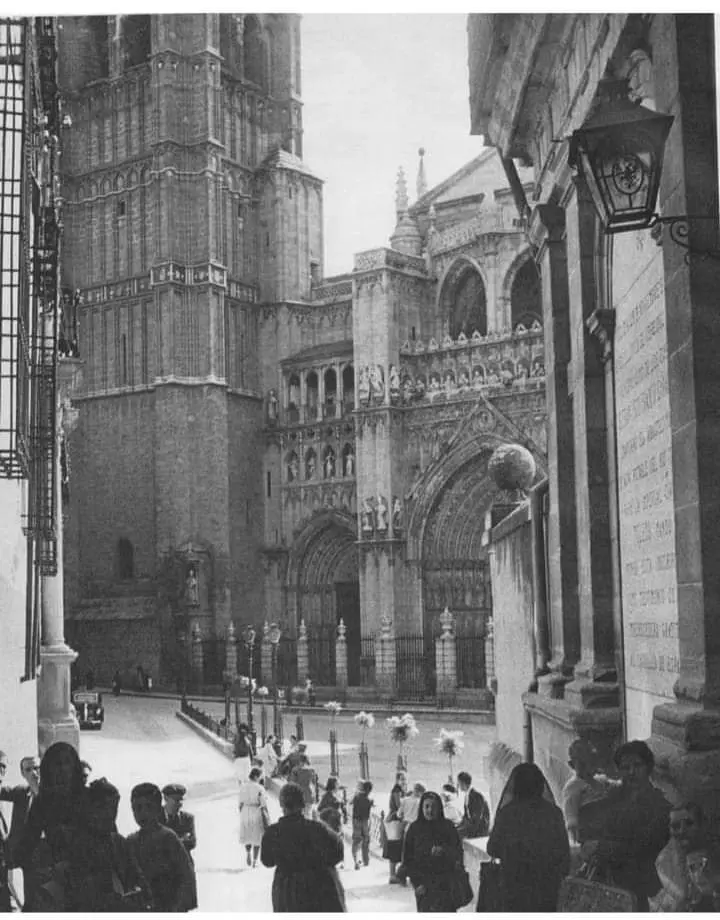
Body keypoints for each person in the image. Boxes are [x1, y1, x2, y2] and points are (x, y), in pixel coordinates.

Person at [579, 739, 671, 911]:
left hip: (642, 888)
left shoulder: (660, 806)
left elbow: (643, 846)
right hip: (608, 885)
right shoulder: (613, 799)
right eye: (625, 767)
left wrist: (601, 846)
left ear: (648, 768)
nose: (631, 772)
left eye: (637, 766)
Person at [478, 762, 570, 913]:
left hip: (513, 886)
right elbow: (563, 853)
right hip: (546, 887)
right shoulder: (553, 813)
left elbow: (492, 848)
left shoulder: (507, 813)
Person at [14, 741, 89, 911]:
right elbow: (27, 843)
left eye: (66, 763)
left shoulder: (88, 797)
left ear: (74, 767)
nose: (62, 769)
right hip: (54, 876)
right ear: (50, 769)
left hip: (87, 872)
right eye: (57, 764)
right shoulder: (43, 802)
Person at [62, 778, 151, 912]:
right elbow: (86, 895)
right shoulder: (78, 845)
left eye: (114, 808)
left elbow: (138, 878)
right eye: (104, 808)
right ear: (91, 809)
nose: (111, 814)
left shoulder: (119, 842)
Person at [261, 782, 346, 912]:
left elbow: (267, 861)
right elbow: (338, 852)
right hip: (318, 887)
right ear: (302, 804)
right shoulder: (318, 829)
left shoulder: (273, 833)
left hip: (287, 890)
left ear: (282, 805)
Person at [127, 783, 197, 912]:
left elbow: (186, 876)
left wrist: (178, 907)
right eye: (137, 808)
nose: (142, 814)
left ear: (158, 808)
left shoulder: (168, 837)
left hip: (169, 903)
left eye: (148, 807)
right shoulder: (132, 841)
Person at [402, 790, 464, 913]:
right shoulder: (414, 829)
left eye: (433, 807)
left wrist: (444, 851)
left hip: (446, 886)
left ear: (439, 808)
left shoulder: (448, 827)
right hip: (424, 886)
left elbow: (458, 852)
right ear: (422, 808)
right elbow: (407, 859)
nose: (430, 810)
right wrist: (417, 883)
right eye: (427, 806)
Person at [651, 801, 720, 911]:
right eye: (676, 826)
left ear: (703, 824)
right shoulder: (665, 862)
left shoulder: (713, 850)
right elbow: (683, 894)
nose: (682, 830)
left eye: (689, 823)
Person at [0, 755, 40, 910]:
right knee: (25, 901)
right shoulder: (20, 793)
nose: (34, 773)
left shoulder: (55, 796)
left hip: (46, 861)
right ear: (23, 774)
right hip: (21, 859)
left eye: (37, 768)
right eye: (28, 769)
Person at [561, 739, 608, 845]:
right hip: (589, 839)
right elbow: (571, 820)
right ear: (572, 764)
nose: (588, 767)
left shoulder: (602, 781)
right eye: (582, 764)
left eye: (591, 762)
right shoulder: (572, 787)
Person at [237, 768, 269, 869]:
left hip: (246, 810)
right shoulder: (260, 788)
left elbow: (240, 802)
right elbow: (263, 803)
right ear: (256, 776)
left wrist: (242, 812)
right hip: (256, 810)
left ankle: (248, 853)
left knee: (247, 834)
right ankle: (255, 861)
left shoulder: (243, 787)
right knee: (257, 836)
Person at [383, 771, 407, 884]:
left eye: (405, 779)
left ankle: (395, 874)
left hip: (396, 820)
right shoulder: (397, 791)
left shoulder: (400, 790)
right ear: (397, 780)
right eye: (402, 779)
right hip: (395, 820)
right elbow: (398, 806)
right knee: (394, 847)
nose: (404, 781)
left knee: (396, 847)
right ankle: (392, 875)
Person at [161, 784, 196, 857]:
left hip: (184, 864)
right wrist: (181, 839)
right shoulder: (155, 818)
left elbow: (192, 843)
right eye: (176, 800)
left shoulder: (187, 818)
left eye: (181, 800)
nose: (180, 804)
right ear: (166, 798)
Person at [456, 772, 490, 839]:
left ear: (463, 783)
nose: (458, 785)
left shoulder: (477, 795)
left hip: (480, 830)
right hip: (472, 826)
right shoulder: (467, 795)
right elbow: (466, 817)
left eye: (458, 783)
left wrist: (469, 833)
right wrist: (457, 827)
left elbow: (477, 818)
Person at [351, 780, 373, 870]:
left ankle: (356, 861)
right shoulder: (369, 800)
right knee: (366, 840)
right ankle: (366, 859)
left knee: (356, 840)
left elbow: (352, 803)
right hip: (365, 821)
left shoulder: (356, 797)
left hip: (356, 820)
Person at [288, 754, 318, 819]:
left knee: (299, 814)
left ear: (299, 760)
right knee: (308, 814)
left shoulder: (295, 770)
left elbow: (292, 783)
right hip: (309, 794)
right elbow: (314, 783)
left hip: (299, 794)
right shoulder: (312, 770)